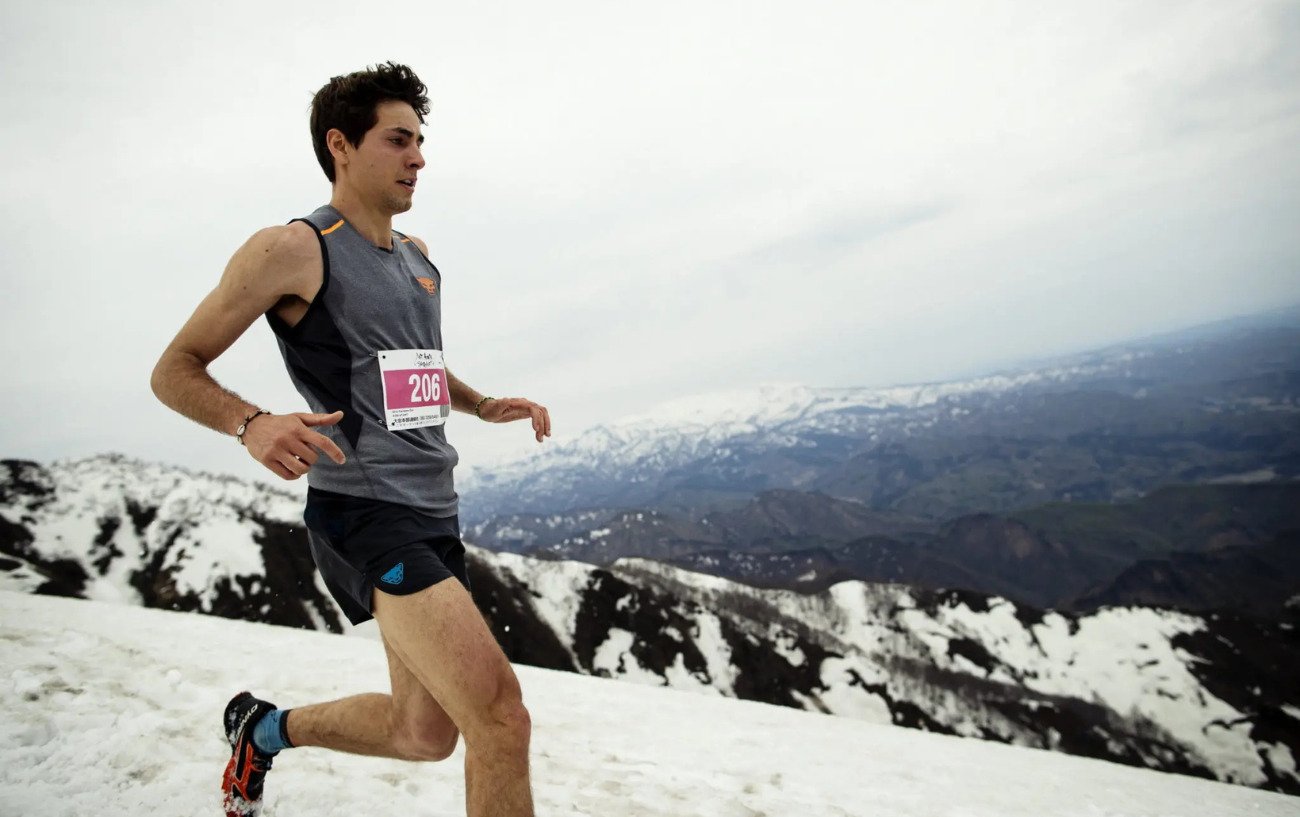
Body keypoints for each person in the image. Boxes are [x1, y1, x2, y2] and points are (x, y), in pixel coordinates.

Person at [150, 61, 549, 817]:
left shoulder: (418, 257)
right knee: (501, 717)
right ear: (341, 144)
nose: (419, 157)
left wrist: (481, 402)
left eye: (421, 141)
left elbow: (409, 367)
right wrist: (251, 422)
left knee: (424, 733)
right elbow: (173, 368)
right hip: (364, 510)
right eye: (399, 140)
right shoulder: (293, 249)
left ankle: (260, 729)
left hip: (434, 511)